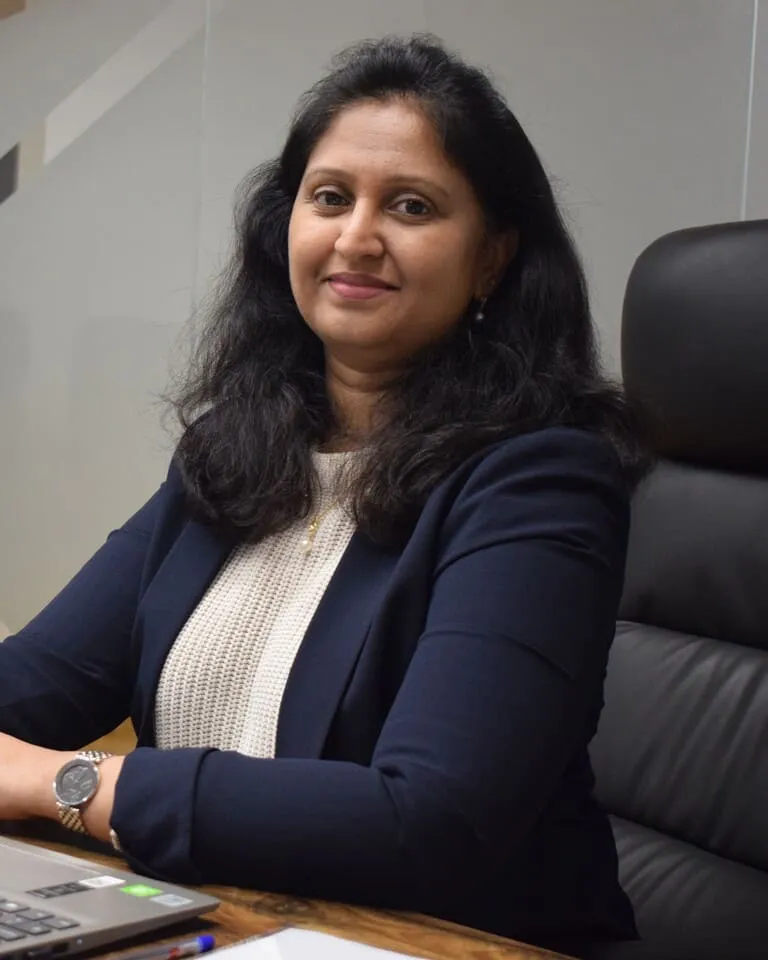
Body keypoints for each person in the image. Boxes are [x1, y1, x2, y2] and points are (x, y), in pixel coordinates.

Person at [0, 35, 646, 954]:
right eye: (329, 197)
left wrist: (68, 784)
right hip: (223, 922)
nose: (356, 237)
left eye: (412, 207)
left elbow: (430, 820)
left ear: (493, 259)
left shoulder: (541, 482)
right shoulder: (233, 452)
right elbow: (35, 687)